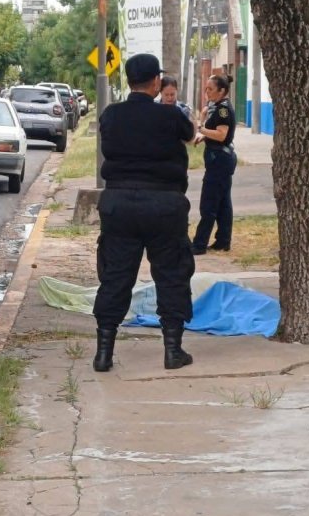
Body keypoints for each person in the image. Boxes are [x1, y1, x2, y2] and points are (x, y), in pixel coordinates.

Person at [92, 53, 196, 372]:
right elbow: (190, 136)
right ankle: (172, 351)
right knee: (172, 274)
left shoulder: (111, 115)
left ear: (128, 81)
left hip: (119, 203)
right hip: (164, 204)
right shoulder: (170, 116)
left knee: (116, 275)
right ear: (156, 83)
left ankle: (104, 353)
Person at [192, 74, 237, 255]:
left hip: (219, 161)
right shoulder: (217, 107)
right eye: (206, 88)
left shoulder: (222, 110)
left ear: (222, 91)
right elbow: (215, 133)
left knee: (209, 203)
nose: (207, 92)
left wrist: (200, 128)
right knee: (223, 203)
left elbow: (221, 135)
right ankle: (222, 240)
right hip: (219, 159)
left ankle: (199, 244)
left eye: (210, 89)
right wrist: (204, 135)